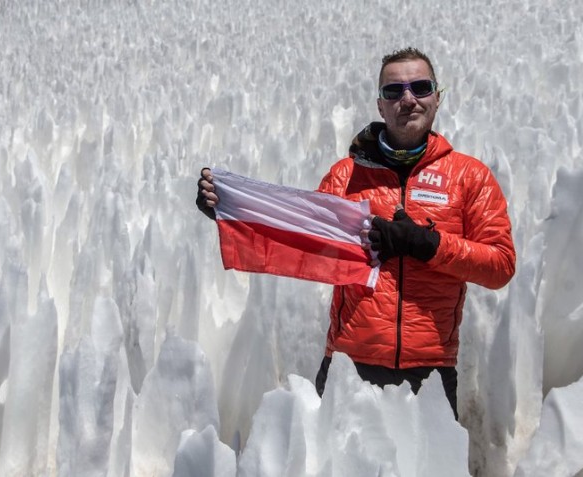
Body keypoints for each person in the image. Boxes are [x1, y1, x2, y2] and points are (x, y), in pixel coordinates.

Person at [196, 47, 516, 419]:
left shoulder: (469, 177)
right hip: (350, 365)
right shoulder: (346, 177)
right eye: (394, 91)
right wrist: (233, 210)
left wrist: (427, 244)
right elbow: (303, 238)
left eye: (421, 87)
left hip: (430, 371)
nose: (408, 99)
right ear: (380, 105)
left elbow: (500, 265)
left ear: (437, 98)